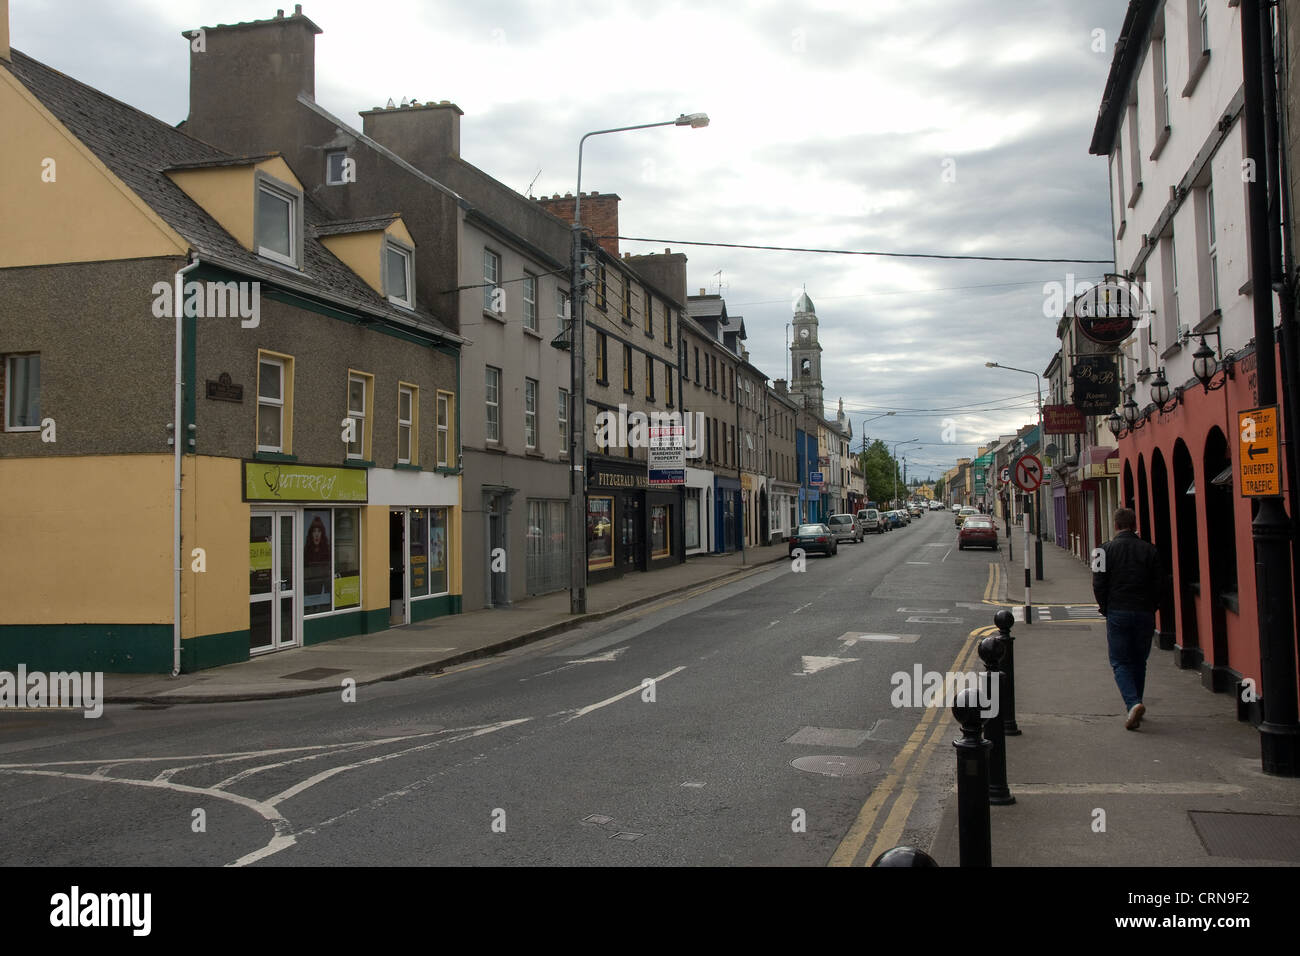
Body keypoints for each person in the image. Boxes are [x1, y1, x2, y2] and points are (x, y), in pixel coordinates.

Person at [1092, 508, 1160, 730]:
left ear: (1116, 525)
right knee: (1139, 661)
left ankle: (1133, 703)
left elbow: (1098, 583)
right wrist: (1153, 607)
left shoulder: (1102, 551)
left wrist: (1105, 607)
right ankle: (1136, 703)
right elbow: (1161, 584)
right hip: (1144, 612)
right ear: (1133, 524)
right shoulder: (1151, 550)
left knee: (1120, 661)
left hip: (1118, 611)